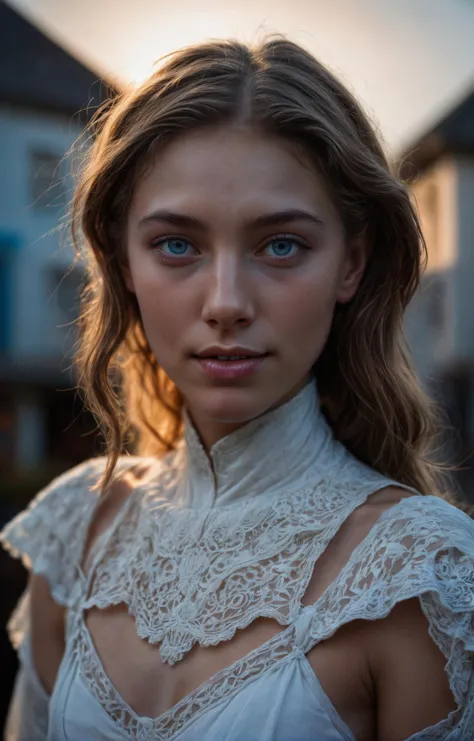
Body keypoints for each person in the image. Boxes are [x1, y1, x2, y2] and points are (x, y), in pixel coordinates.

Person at [1, 36, 474, 741]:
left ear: (352, 263)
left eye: (281, 244)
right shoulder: (75, 533)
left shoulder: (419, 573)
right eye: (177, 244)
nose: (225, 301)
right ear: (123, 261)